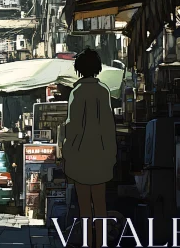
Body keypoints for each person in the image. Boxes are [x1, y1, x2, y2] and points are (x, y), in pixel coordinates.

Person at [60, 48, 117, 248]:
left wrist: (66, 153)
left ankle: (87, 242)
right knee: (100, 204)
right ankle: (101, 243)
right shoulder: (103, 91)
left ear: (79, 69)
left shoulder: (77, 92)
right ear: (97, 68)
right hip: (101, 156)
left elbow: (73, 126)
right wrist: (111, 155)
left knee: (84, 206)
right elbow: (109, 127)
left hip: (80, 157)